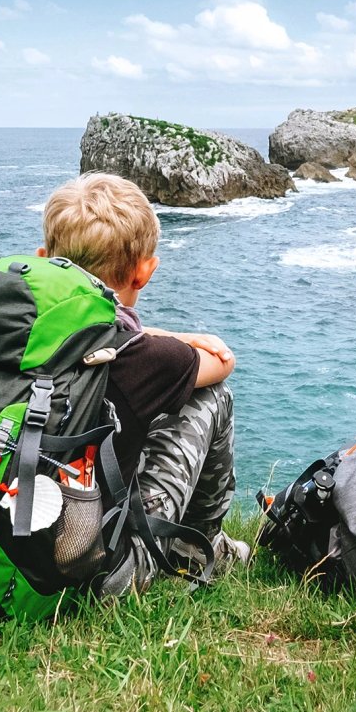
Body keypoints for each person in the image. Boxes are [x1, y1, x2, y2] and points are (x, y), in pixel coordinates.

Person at [35, 171, 248, 590]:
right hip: (92, 575)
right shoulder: (142, 357)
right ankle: (200, 547)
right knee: (210, 398)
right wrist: (166, 339)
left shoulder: (10, 331)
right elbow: (221, 361)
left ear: (44, 259)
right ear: (144, 272)